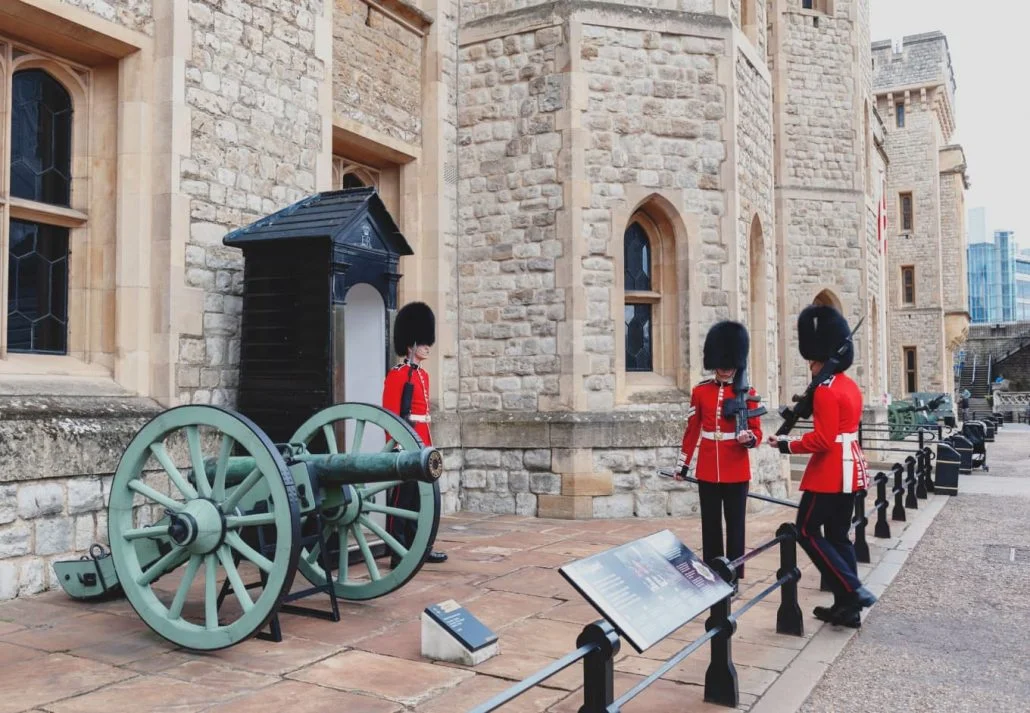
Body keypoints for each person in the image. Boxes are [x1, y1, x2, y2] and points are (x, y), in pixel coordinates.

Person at [767, 305, 877, 628]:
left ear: (821, 360)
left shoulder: (827, 392)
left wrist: (787, 444)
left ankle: (851, 589)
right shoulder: (849, 386)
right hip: (851, 470)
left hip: (829, 473)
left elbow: (823, 440)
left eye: (812, 362)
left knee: (805, 530)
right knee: (839, 536)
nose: (810, 368)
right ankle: (848, 608)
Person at [676, 321, 762, 580]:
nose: (724, 370)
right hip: (707, 469)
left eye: (729, 364)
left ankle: (733, 575)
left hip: (736, 468)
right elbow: (692, 430)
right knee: (711, 525)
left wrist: (748, 439)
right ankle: (713, 571)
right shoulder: (701, 391)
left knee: (736, 527)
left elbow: (757, 433)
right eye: (721, 364)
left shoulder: (748, 393)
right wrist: (683, 464)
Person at [381, 301, 447, 566]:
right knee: (402, 500)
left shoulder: (424, 376)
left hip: (423, 443)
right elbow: (390, 414)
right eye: (422, 342)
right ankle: (399, 550)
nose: (427, 347)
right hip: (406, 446)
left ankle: (420, 546)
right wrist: (396, 447)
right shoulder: (397, 375)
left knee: (422, 501)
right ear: (410, 345)